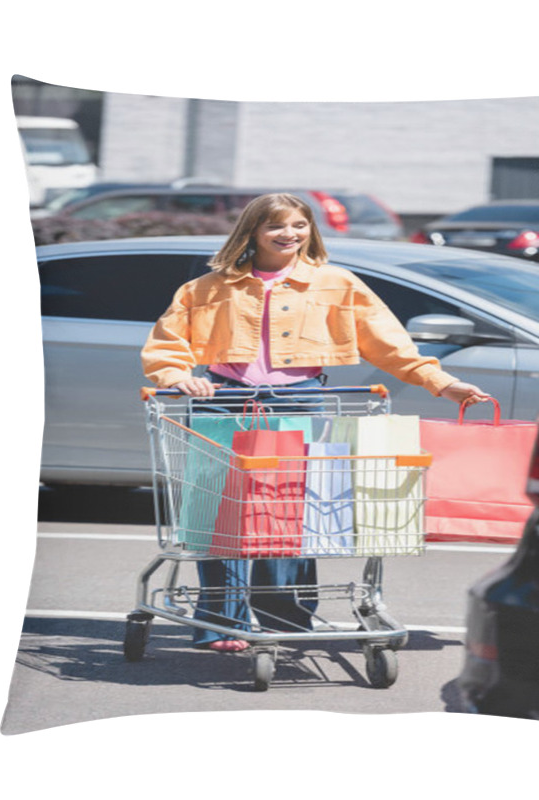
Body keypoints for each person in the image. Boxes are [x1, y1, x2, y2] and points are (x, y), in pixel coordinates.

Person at [142, 192, 489, 652]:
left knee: (285, 516)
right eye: (276, 227)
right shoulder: (208, 288)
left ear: (311, 230)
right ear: (253, 231)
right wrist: (177, 377)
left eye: (299, 226)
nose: (289, 235)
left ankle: (281, 618)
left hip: (299, 401)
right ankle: (220, 622)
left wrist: (442, 383)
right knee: (218, 516)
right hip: (223, 401)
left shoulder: (337, 283)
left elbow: (390, 344)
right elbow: (168, 343)